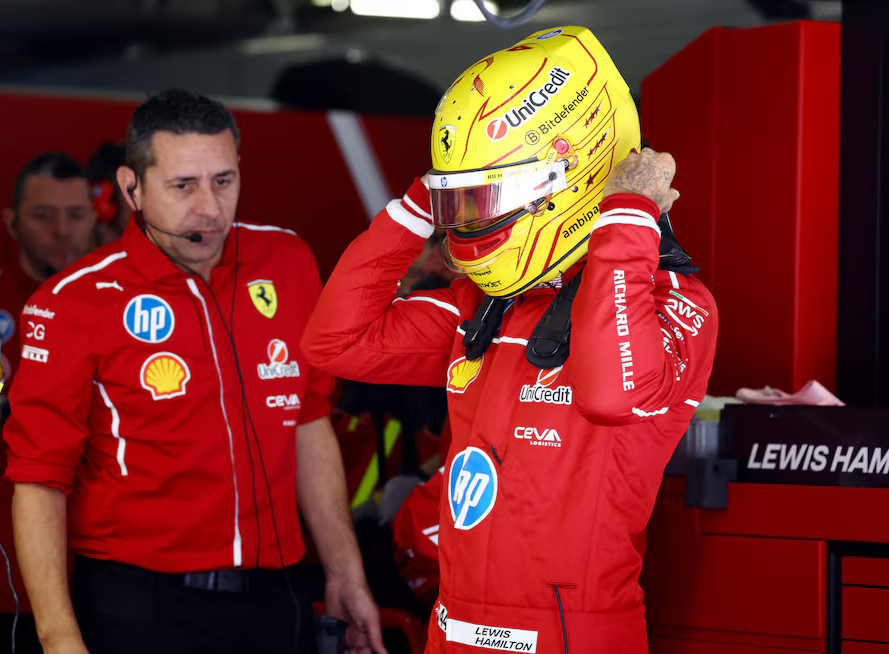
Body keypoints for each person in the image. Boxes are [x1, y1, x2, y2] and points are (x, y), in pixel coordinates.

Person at [301, 26, 718, 653]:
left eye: (483, 197)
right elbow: (335, 342)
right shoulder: (486, 310)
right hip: (453, 628)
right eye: (461, 199)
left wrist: (630, 217)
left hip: (570, 636)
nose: (468, 218)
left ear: (568, 179)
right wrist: (423, 204)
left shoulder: (676, 303)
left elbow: (610, 394)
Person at [3, 90, 384, 654]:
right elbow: (39, 479)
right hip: (140, 603)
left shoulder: (287, 261)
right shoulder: (72, 300)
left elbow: (305, 422)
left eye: (223, 181)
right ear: (132, 187)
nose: (209, 206)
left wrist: (345, 572)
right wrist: (58, 636)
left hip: (275, 594)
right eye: (184, 185)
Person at [0, 151, 97, 653]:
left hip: (85, 583)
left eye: (75, 215)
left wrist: (7, 428)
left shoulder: (123, 312)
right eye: (43, 215)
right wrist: (67, 446)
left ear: (96, 217)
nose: (61, 231)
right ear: (11, 221)